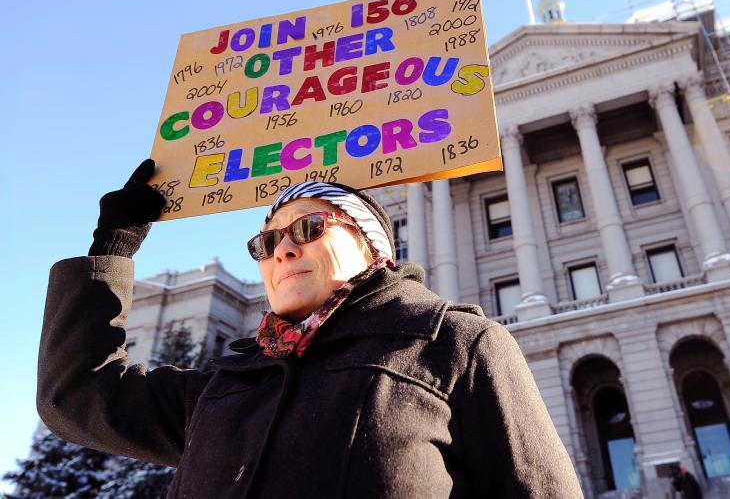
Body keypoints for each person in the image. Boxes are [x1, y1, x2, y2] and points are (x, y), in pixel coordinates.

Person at [38, 160, 584, 498]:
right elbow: (77, 394)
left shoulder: (456, 348)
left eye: (307, 227)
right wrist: (113, 246)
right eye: (266, 242)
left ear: (373, 246)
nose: (284, 249)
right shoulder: (226, 387)